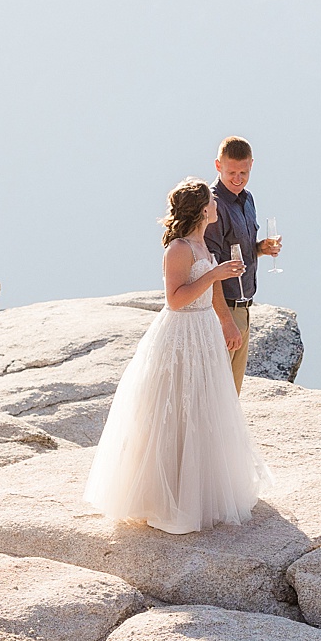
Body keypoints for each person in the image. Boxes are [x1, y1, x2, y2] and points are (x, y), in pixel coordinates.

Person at [82, 179, 274, 533]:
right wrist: (215, 273)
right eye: (212, 202)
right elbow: (175, 298)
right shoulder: (179, 248)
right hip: (181, 333)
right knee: (174, 407)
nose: (217, 205)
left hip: (204, 332)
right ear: (203, 210)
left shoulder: (203, 242)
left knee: (205, 406)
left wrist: (227, 322)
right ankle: (166, 495)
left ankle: (201, 490)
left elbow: (214, 290)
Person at [201, 135, 284, 390]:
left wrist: (261, 248)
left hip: (244, 309)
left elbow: (239, 253)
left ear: (252, 165)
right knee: (217, 395)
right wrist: (226, 322)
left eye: (244, 172)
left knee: (232, 394)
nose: (238, 179)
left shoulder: (248, 200)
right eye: (232, 173)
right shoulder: (213, 206)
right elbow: (209, 269)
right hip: (224, 311)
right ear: (218, 166)